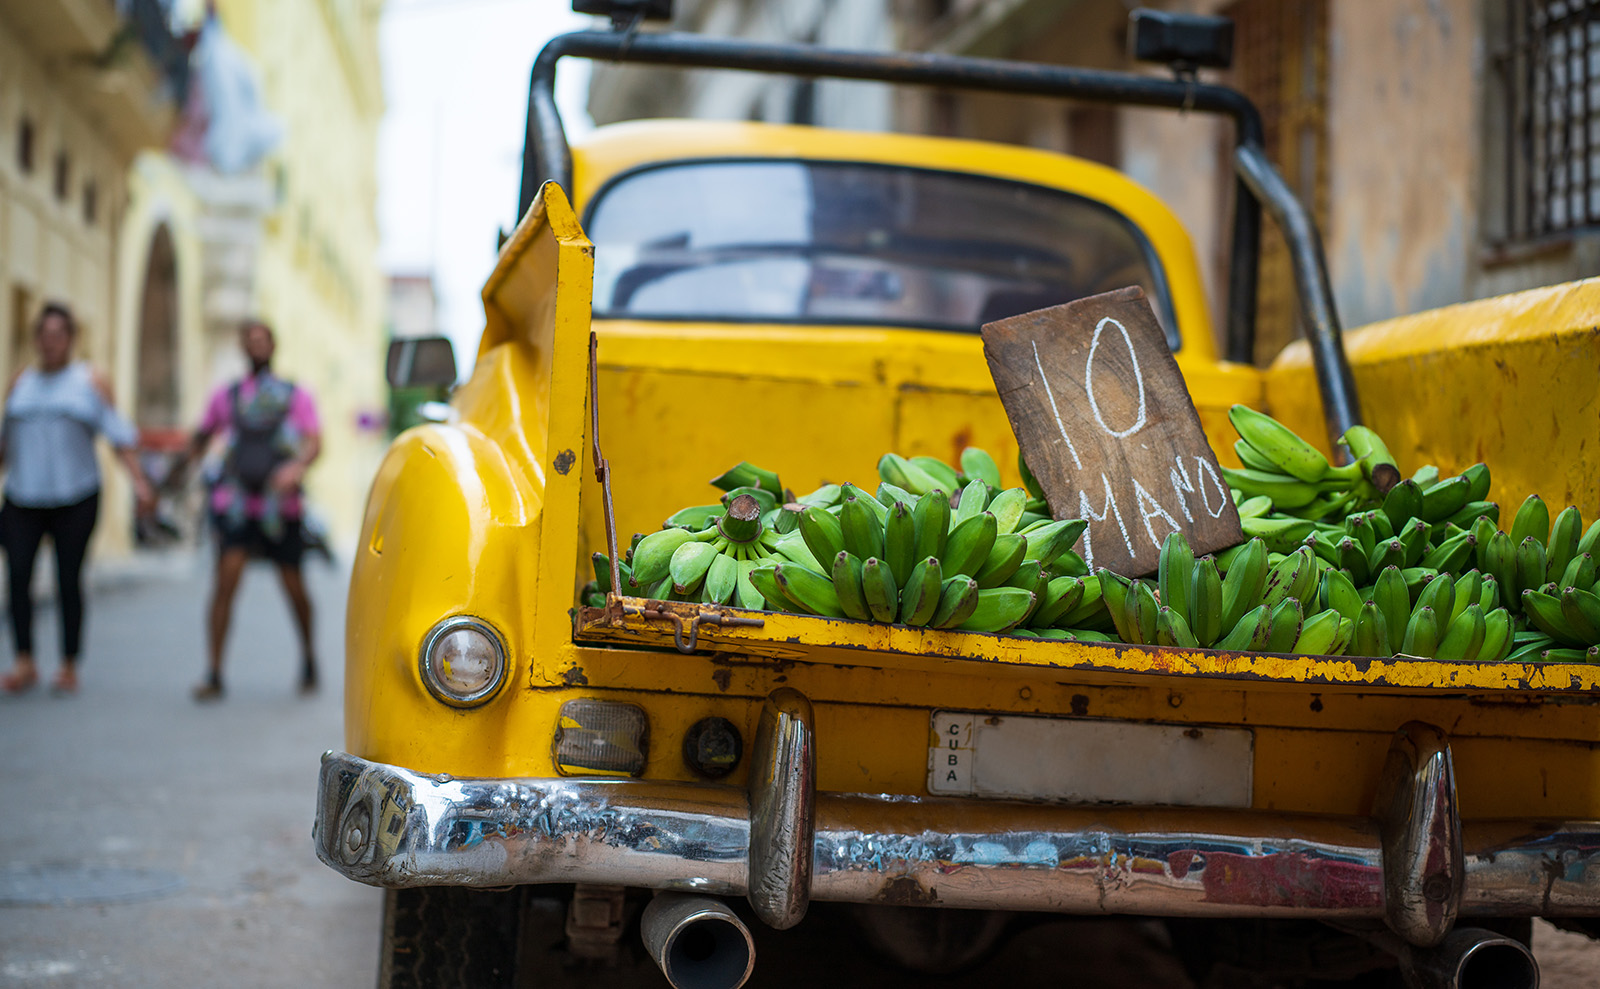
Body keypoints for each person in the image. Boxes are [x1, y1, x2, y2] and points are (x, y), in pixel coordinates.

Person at [0, 303, 155, 695]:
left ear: (70, 339)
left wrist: (139, 483)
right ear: (36, 339)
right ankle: (24, 660)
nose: (50, 342)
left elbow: (118, 435)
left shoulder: (89, 381)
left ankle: (69, 662)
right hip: (23, 495)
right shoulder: (21, 382)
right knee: (18, 575)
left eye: (58, 335)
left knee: (68, 577)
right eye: (44, 335)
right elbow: (5, 442)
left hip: (75, 495)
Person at [184, 319, 321, 701]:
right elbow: (203, 434)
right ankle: (213, 672)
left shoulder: (295, 396)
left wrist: (297, 468)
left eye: (263, 339)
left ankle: (309, 657)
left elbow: (314, 441)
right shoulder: (226, 396)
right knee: (225, 583)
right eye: (251, 340)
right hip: (238, 504)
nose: (257, 345)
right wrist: (183, 466)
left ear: (274, 345)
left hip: (281, 506)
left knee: (294, 587)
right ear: (243, 347)